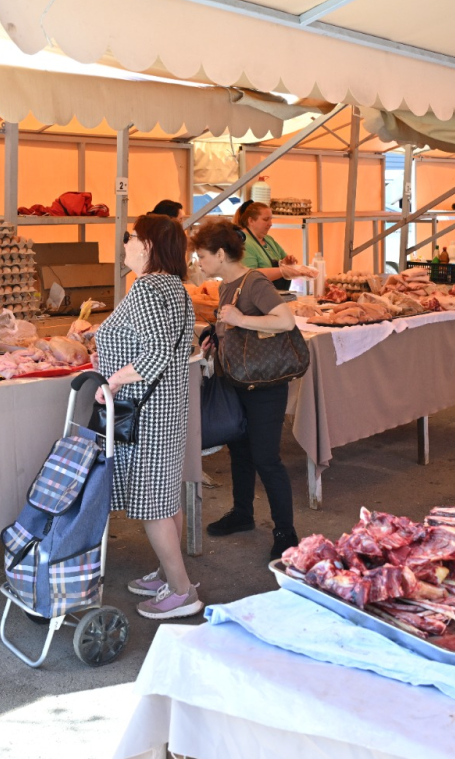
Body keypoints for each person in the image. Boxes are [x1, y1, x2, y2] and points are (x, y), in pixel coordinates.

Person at [95, 214, 201, 619]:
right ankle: (167, 574)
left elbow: (155, 352)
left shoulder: (146, 288)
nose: (125, 243)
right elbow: (169, 345)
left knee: (154, 503)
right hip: (166, 406)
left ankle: (182, 592)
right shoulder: (174, 287)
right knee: (166, 495)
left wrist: (114, 381)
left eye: (130, 237)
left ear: (148, 245)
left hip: (147, 412)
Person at [191, 219, 300, 559]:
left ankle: (286, 532)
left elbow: (285, 320)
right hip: (238, 379)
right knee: (239, 450)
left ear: (221, 254)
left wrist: (239, 320)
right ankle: (243, 513)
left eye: (202, 256)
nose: (199, 262)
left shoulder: (254, 282)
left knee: (266, 457)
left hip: (264, 385)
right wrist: (216, 331)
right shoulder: (228, 284)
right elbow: (234, 324)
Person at [234, 202, 297, 292]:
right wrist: (282, 271)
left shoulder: (269, 239)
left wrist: (286, 263)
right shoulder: (243, 242)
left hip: (276, 295)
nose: (270, 224)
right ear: (251, 221)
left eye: (271, 219)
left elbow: (284, 259)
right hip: (256, 297)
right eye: (266, 219)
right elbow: (249, 277)